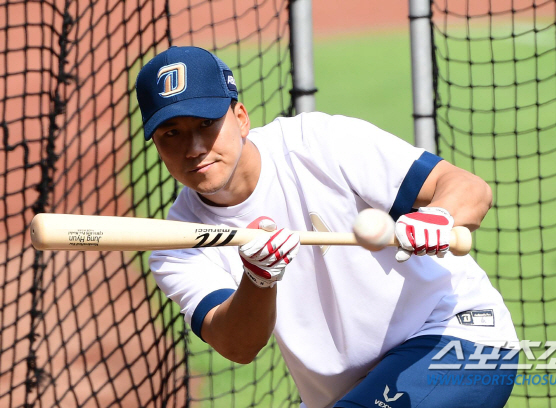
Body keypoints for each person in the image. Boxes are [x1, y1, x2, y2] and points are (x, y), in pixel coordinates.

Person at [136, 46, 520, 408]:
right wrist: (258, 279)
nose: (194, 148)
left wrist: (437, 215)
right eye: (172, 133)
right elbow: (238, 345)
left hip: (457, 338)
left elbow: (469, 189)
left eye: (207, 123)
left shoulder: (318, 143)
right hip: (346, 394)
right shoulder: (177, 243)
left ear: (240, 118)